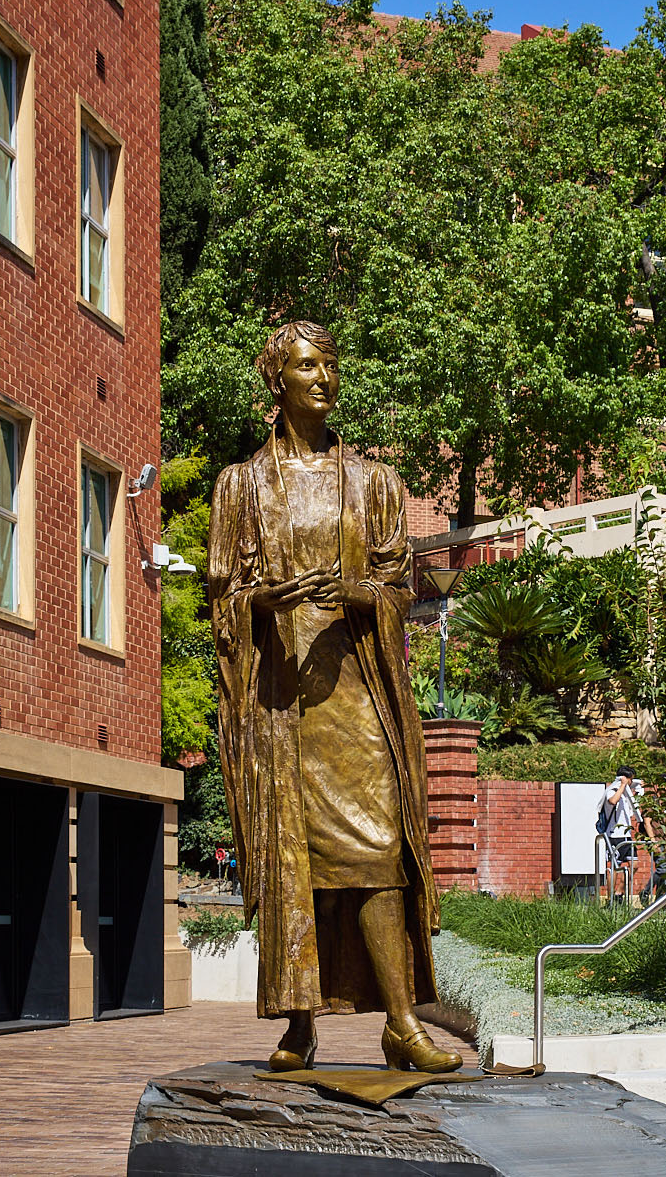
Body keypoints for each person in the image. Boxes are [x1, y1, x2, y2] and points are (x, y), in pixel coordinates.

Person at [209, 321, 459, 1075]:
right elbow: (221, 592)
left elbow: (398, 582)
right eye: (307, 365)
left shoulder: (376, 483)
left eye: (330, 364)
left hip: (358, 695)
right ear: (277, 382)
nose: (323, 377)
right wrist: (259, 600)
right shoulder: (242, 486)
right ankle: (299, 1024)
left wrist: (360, 592)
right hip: (284, 706)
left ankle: (403, 1023)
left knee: (380, 849)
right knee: (297, 860)